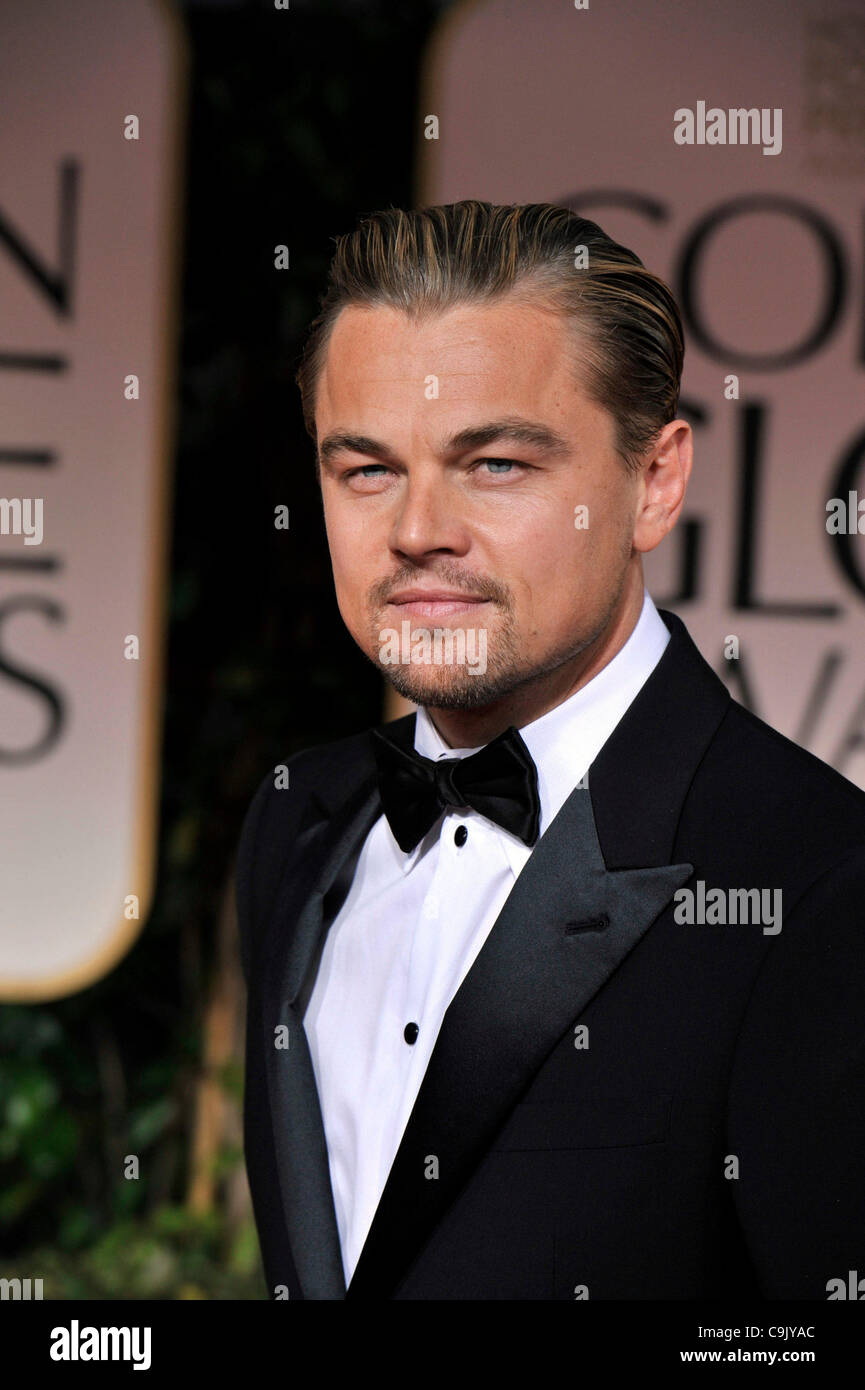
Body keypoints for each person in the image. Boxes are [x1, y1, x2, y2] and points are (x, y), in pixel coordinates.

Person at [236, 200, 865, 1300]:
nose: (418, 527)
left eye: (495, 466)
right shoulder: (297, 820)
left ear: (654, 483)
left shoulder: (820, 884)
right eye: (367, 470)